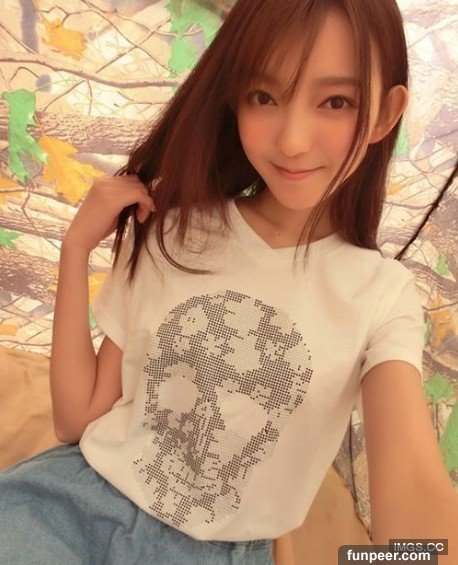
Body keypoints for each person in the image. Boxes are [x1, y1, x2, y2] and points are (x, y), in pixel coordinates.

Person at [1, 1, 456, 564]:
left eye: (335, 101)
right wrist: (74, 251)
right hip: (69, 509)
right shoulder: (173, 229)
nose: (293, 140)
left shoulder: (380, 294)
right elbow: (77, 421)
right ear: (235, 99)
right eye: (264, 97)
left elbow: (413, 489)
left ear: (386, 114)